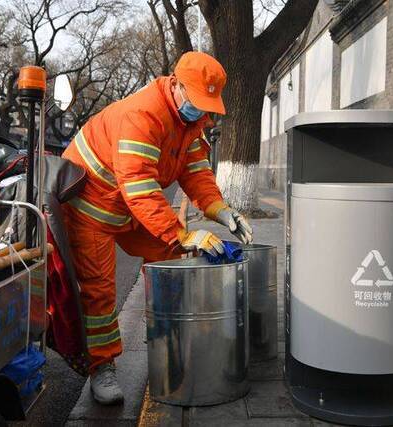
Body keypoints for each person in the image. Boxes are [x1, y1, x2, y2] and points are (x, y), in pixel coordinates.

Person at [61, 51, 253, 405]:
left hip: (132, 208)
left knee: (173, 255)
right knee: (100, 292)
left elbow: (197, 174)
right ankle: (101, 367)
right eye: (196, 101)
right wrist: (181, 232)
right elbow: (138, 185)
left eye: (206, 104)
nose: (201, 110)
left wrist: (222, 211)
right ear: (175, 84)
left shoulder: (190, 124)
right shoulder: (142, 114)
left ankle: (173, 330)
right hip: (92, 209)